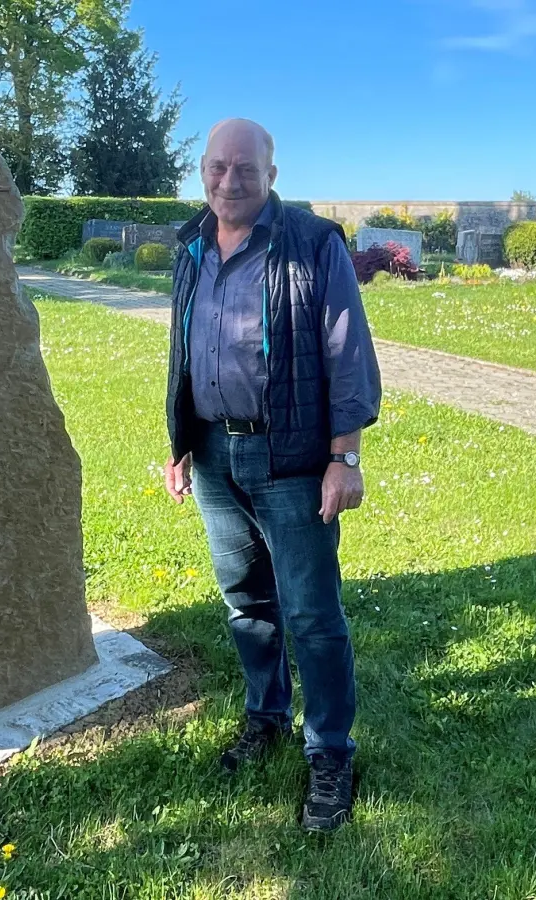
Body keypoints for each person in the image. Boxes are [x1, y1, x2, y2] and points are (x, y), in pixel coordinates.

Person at [163, 118, 381, 833]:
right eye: (218, 168)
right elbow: (186, 351)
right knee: (245, 602)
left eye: (246, 169)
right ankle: (267, 716)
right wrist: (181, 443)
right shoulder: (191, 246)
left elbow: (347, 355)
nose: (230, 182)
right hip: (213, 455)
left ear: (271, 175)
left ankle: (330, 754)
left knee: (312, 614)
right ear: (203, 170)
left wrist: (343, 458)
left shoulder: (312, 244)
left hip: (290, 456)